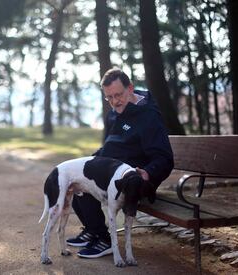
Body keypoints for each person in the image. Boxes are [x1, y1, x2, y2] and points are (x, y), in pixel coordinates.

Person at [66, 68, 174, 258]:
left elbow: (164, 158)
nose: (115, 101)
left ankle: (104, 240)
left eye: (118, 95)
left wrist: (147, 173)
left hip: (134, 179)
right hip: (111, 170)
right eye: (109, 97)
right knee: (76, 177)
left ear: (130, 88)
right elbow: (110, 146)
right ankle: (93, 230)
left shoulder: (149, 117)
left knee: (89, 185)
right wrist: (89, 160)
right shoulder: (114, 113)